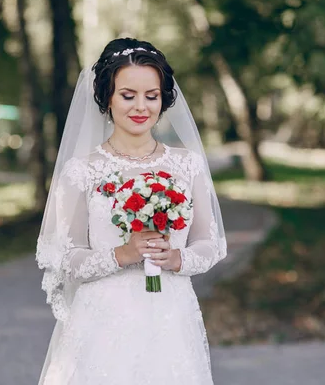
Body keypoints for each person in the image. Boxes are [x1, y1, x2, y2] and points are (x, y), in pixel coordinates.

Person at [36, 38, 227, 385]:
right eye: (128, 95)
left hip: (170, 316)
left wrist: (177, 259)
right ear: (107, 97)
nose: (141, 106)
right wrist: (121, 254)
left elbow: (209, 243)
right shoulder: (82, 171)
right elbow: (67, 256)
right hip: (102, 322)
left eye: (151, 96)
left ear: (163, 98)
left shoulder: (188, 165)